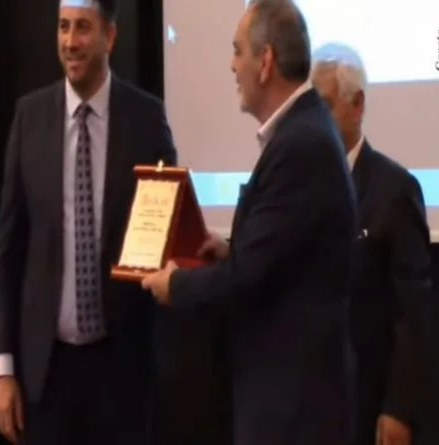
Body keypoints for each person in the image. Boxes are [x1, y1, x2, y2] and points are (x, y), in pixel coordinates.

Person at [141, 1, 357, 444]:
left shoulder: (301, 145)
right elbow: (281, 258)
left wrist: (175, 285)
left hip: (294, 413)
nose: (232, 65)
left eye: (237, 50)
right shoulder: (303, 132)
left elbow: (247, 278)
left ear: (266, 61)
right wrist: (229, 250)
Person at [0, 0, 177, 443]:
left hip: (123, 370)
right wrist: (2, 369)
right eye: (63, 27)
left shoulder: (146, 119)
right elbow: (7, 254)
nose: (70, 42)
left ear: (110, 36)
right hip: (45, 373)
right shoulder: (29, 118)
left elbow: (168, 226)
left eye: (82, 28)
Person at [311, 42, 431, 445]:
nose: (314, 123)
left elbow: (412, 311)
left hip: (365, 400)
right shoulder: (299, 184)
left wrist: (399, 408)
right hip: (306, 402)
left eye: (325, 107)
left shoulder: (394, 190)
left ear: (357, 104)